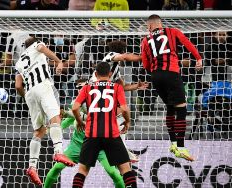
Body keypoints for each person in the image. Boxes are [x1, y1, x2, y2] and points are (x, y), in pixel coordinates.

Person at [44, 79, 145, 188]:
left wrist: (74, 116)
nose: (79, 90)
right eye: (78, 88)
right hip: (77, 146)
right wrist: (51, 129)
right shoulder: (75, 104)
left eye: (82, 87)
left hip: (100, 146)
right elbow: (65, 122)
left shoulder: (97, 103)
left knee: (113, 173)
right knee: (57, 167)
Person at [141, 14, 202, 161]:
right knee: (181, 109)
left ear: (149, 26)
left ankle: (173, 142)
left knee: (170, 107)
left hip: (156, 76)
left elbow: (145, 65)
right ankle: (181, 147)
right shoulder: (172, 31)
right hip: (171, 74)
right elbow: (188, 44)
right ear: (160, 24)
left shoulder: (145, 40)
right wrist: (198, 58)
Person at [15, 36, 75, 185]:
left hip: (29, 93)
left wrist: (29, 98)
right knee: (55, 118)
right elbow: (42, 48)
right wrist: (59, 61)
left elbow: (17, 86)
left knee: (39, 131)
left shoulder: (19, 62)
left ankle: (32, 167)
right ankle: (58, 152)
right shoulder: (38, 46)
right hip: (43, 86)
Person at [71, 61, 137, 188]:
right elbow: (124, 109)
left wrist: (79, 122)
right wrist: (127, 121)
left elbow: (75, 108)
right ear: (110, 74)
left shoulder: (87, 88)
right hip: (111, 134)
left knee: (82, 171)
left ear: (95, 74)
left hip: (91, 134)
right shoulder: (116, 87)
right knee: (125, 169)